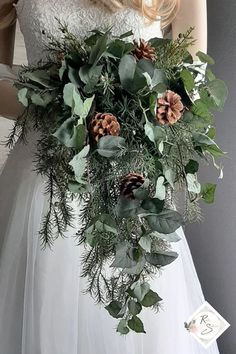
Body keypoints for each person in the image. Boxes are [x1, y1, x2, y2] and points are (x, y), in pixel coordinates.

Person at [0, 1, 219, 353]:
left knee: (146, 314)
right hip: (42, 185)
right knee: (42, 306)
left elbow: (190, 76)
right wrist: (63, 100)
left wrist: (125, 102)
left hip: (129, 186)